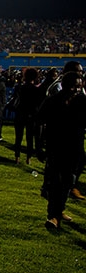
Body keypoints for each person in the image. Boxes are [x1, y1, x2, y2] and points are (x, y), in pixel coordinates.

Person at [37, 72, 86, 229]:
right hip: (55, 147)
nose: (75, 90)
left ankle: (58, 212)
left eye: (78, 87)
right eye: (73, 86)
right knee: (56, 183)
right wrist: (39, 146)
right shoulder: (53, 101)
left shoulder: (82, 102)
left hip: (75, 149)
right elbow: (39, 121)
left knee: (67, 182)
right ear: (64, 85)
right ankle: (53, 216)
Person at [12, 68, 44, 165]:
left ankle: (17, 157)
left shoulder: (20, 88)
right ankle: (28, 158)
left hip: (20, 113)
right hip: (31, 115)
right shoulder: (36, 90)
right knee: (29, 138)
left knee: (18, 137)